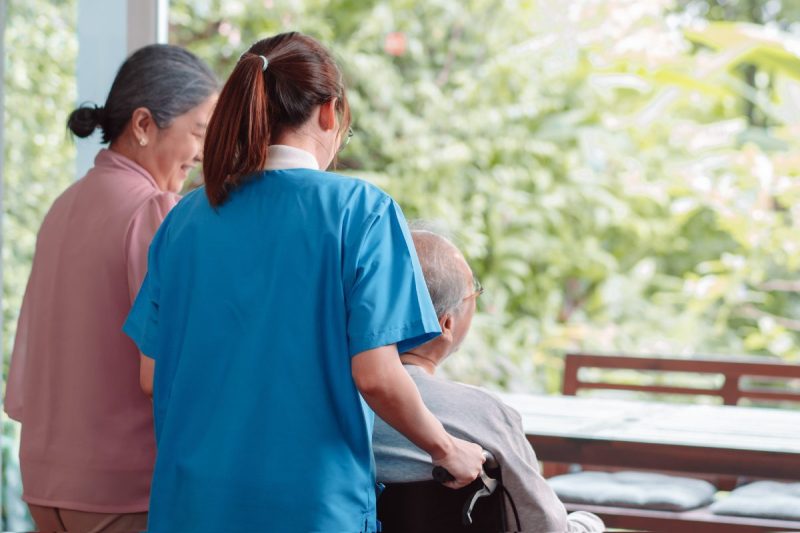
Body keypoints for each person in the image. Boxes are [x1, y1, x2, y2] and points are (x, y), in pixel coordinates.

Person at [122, 32, 484, 533]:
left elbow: (151, 376)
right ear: (330, 113)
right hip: (309, 510)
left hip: (190, 506)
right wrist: (449, 449)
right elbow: (378, 376)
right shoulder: (362, 211)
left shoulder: (183, 220)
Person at [3, 44, 218, 532]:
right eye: (199, 131)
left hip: (44, 481)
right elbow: (170, 362)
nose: (203, 153)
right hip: (121, 487)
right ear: (143, 124)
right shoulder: (155, 210)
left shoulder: (63, 205)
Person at [373, 229, 605, 533]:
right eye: (474, 294)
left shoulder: (331, 403)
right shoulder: (481, 414)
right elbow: (543, 524)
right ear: (446, 323)